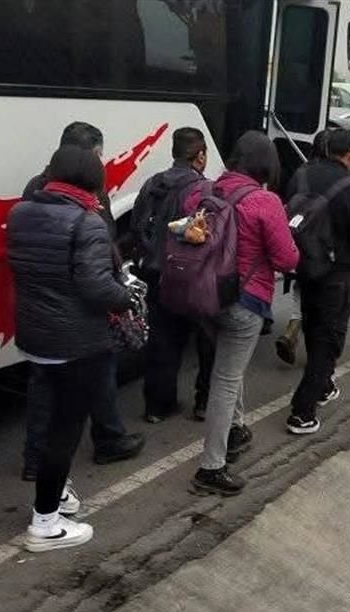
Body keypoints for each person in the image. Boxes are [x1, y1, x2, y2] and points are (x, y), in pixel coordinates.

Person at [7, 145, 134, 552]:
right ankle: (45, 523)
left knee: (49, 417)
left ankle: (57, 493)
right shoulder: (88, 222)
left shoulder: (21, 213)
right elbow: (97, 288)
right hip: (77, 341)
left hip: (36, 334)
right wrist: (126, 296)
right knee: (65, 430)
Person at [20, 128, 144, 481]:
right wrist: (124, 298)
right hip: (77, 314)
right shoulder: (87, 208)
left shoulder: (31, 197)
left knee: (42, 384)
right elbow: (96, 266)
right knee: (97, 372)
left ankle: (34, 457)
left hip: (36, 312)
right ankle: (106, 441)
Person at [185, 132, 299, 496]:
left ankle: (235, 428)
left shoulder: (202, 193)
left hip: (202, 295)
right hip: (244, 301)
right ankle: (212, 466)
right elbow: (287, 259)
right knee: (227, 378)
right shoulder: (265, 202)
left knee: (226, 367)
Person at [286, 129, 350, 435]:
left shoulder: (300, 175)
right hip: (338, 274)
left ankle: (324, 385)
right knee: (328, 340)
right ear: (349, 154)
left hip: (303, 266)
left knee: (314, 328)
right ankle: (302, 412)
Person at [131, 127, 215, 424]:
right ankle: (203, 403)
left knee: (162, 339)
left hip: (155, 272)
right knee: (207, 338)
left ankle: (157, 405)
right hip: (190, 276)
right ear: (200, 156)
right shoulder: (204, 190)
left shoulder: (152, 184)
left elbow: (136, 226)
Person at [275, 129, 331, 365]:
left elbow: (287, 200)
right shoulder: (334, 175)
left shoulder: (301, 172)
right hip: (323, 240)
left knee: (302, 283)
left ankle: (293, 328)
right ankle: (311, 344)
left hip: (297, 235)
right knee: (324, 294)